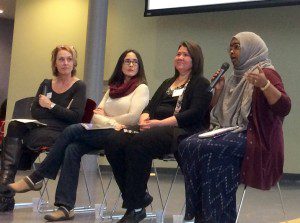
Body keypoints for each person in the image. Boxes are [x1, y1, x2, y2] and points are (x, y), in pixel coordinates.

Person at [9, 49, 149, 221]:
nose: (131, 65)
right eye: (127, 61)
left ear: (139, 66)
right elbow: (95, 114)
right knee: (72, 148)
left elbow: (133, 117)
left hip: (124, 134)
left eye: (134, 62)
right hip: (106, 131)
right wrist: (111, 121)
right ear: (121, 65)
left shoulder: (141, 88)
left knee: (73, 129)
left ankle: (37, 176)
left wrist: (108, 119)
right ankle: (65, 207)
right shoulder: (113, 89)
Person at [177, 32, 291, 223]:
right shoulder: (233, 78)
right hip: (230, 132)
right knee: (188, 144)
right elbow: (213, 115)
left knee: (211, 148)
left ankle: (219, 218)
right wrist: (218, 90)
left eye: (237, 47)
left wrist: (265, 85)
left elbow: (284, 107)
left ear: (251, 49)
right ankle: (201, 214)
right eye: (231, 47)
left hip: (257, 140)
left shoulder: (266, 73)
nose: (232, 52)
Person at [105, 41, 212, 223]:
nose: (180, 57)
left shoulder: (200, 83)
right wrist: (144, 119)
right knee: (113, 140)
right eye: (178, 54)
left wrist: (159, 124)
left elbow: (193, 114)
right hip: (155, 128)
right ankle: (139, 198)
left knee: (139, 143)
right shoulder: (167, 83)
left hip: (179, 130)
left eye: (186, 54)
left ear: (195, 60)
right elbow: (150, 106)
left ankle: (135, 208)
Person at [0, 45, 86, 212]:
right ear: (55, 63)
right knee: (15, 125)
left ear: (74, 63)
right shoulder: (46, 83)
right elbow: (35, 111)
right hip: (41, 127)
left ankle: (26, 182)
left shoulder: (79, 86)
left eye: (69, 59)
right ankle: (5, 191)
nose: (65, 63)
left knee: (33, 138)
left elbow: (75, 116)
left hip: (62, 132)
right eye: (61, 59)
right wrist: (59, 111)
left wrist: (50, 106)